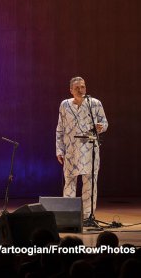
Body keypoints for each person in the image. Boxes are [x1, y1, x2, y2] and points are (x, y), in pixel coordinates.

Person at [56, 76, 108, 222]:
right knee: (69, 184)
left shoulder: (95, 103)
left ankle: (87, 216)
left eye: (83, 87)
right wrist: (59, 150)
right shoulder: (65, 105)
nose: (81, 90)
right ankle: (67, 216)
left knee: (89, 183)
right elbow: (60, 129)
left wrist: (101, 127)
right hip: (71, 150)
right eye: (77, 88)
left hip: (89, 149)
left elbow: (105, 122)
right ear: (71, 90)